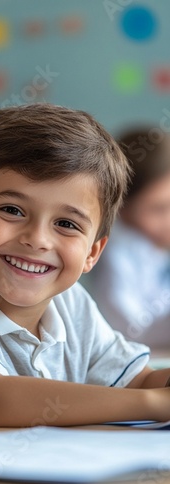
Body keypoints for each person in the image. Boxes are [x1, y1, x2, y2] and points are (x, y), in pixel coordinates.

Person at [0, 104, 170, 426]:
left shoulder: (72, 304)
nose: (37, 239)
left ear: (92, 253)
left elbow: (139, 379)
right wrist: (153, 403)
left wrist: (157, 389)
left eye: (66, 223)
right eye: (12, 210)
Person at [85, 128, 170, 349]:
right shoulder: (114, 252)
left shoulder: (154, 244)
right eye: (158, 209)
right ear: (122, 208)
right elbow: (132, 329)